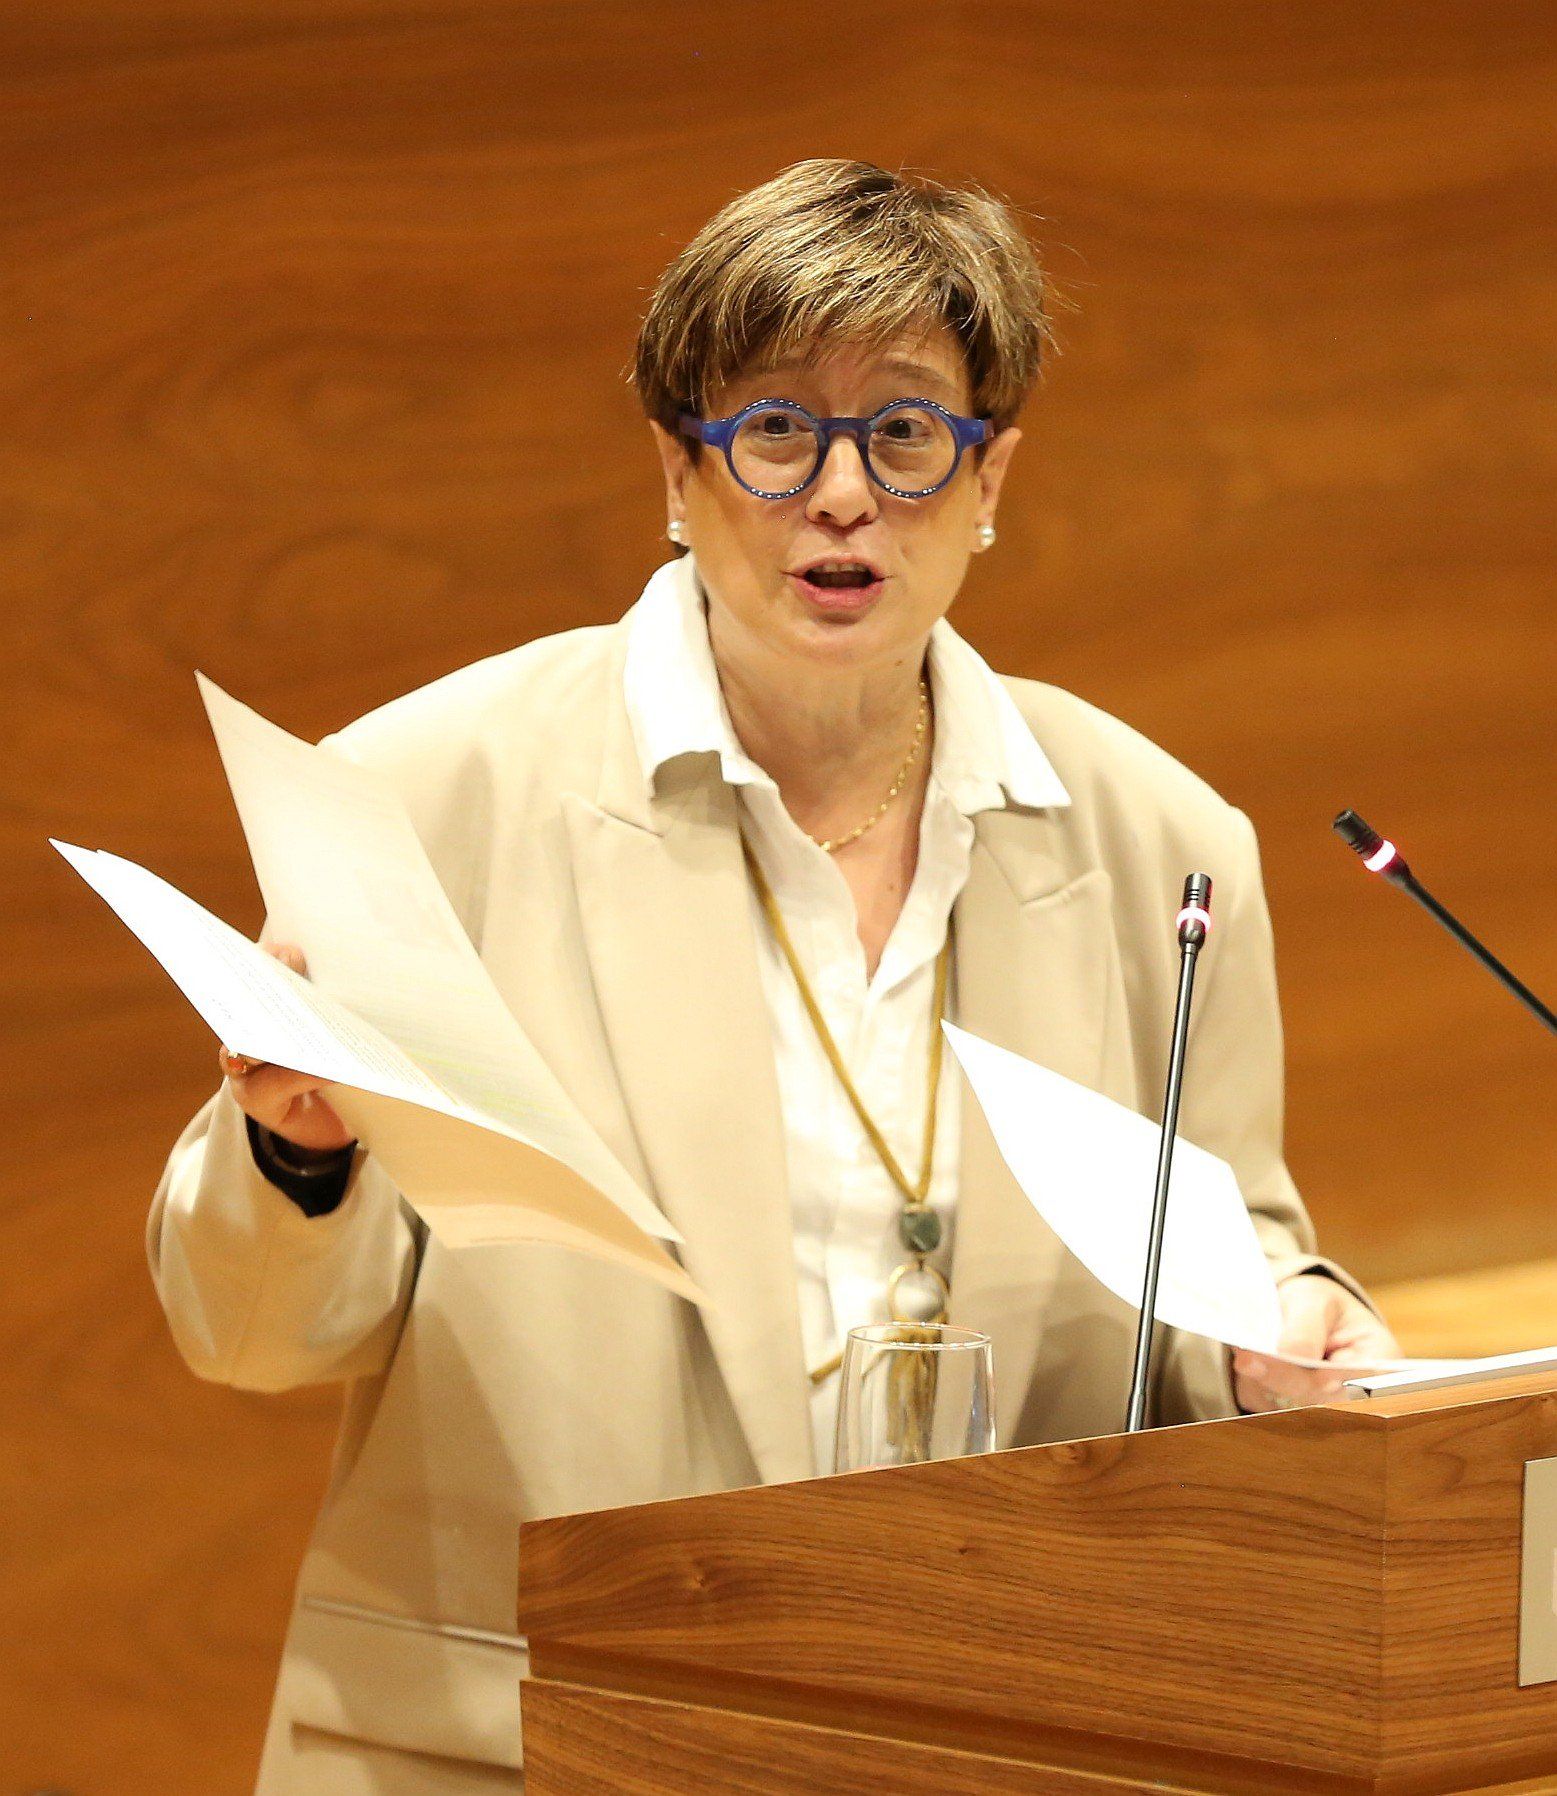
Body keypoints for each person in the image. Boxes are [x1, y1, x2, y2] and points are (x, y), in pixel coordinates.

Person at [149, 157, 1399, 1795]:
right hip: (538, 1736)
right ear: (676, 472)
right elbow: (246, 1339)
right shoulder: (424, 793)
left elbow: (1221, 1275)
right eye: (772, 431)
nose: (841, 495)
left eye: (904, 431)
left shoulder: (1158, 841)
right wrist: (294, 1152)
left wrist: (1281, 1338)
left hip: (995, 1727)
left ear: (990, 476)